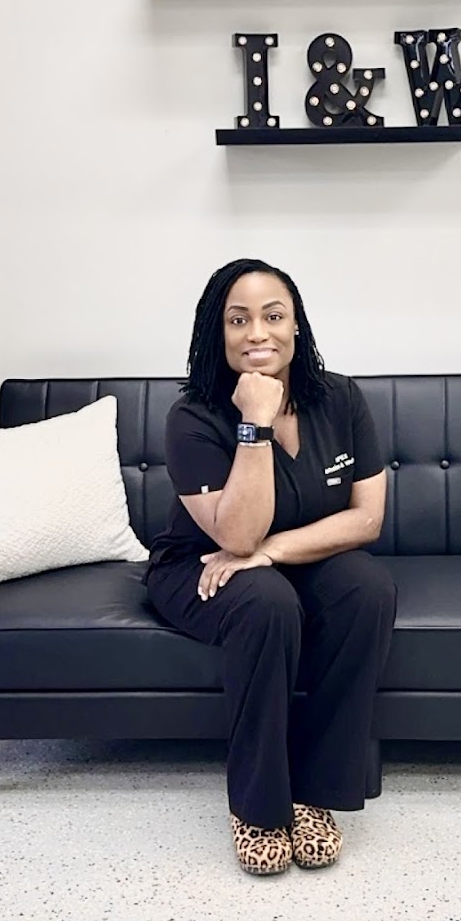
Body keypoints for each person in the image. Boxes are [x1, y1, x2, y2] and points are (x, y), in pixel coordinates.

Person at [143, 258, 397, 876]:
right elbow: (235, 536)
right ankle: (257, 807)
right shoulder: (193, 417)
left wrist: (272, 552)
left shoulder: (340, 398)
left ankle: (315, 792)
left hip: (291, 557)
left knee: (367, 588)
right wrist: (254, 423)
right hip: (200, 566)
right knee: (265, 601)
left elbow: (366, 519)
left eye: (273, 316)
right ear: (218, 333)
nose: (258, 333)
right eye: (238, 320)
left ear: (296, 326)